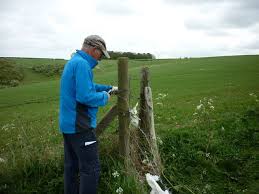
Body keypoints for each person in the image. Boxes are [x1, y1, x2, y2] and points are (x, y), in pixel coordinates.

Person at [59, 35, 117, 194]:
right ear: (94, 50)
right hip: (80, 126)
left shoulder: (74, 61)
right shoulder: (82, 65)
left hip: (68, 125)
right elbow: (85, 96)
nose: (101, 59)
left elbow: (88, 86)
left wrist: (108, 87)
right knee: (90, 169)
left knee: (71, 167)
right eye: (101, 54)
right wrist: (106, 96)